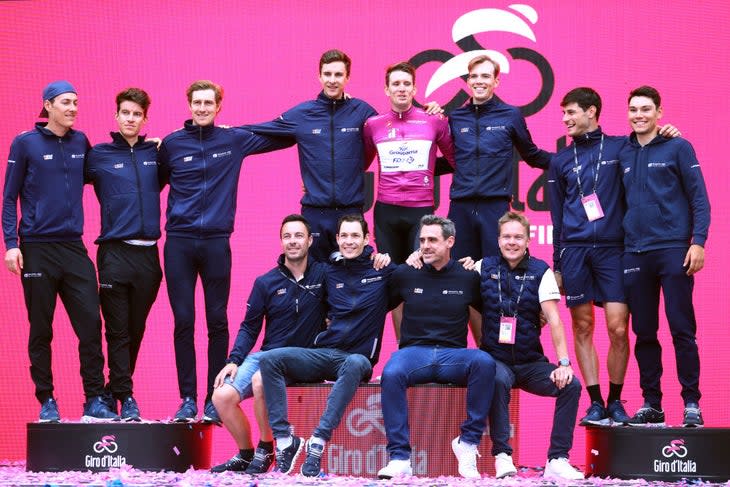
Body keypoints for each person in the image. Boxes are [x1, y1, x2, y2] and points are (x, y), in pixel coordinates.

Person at [158, 80, 291, 424]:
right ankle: (187, 399)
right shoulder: (171, 145)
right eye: (196, 102)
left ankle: (211, 400)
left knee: (217, 321)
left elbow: (283, 134)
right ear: (188, 105)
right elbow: (150, 182)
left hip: (217, 242)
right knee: (184, 321)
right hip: (179, 243)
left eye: (208, 103)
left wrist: (311, 125)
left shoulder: (232, 139)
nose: (202, 108)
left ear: (219, 107)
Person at [2, 80, 118, 422]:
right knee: (41, 328)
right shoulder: (25, 143)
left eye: (76, 103)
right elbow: (9, 198)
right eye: (66, 103)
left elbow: (103, 171)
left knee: (90, 324)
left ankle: (95, 399)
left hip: (73, 247)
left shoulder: (81, 141)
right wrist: (11, 245)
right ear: (47, 105)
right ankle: (47, 400)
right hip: (36, 248)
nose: (73, 109)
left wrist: (144, 148)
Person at [258, 214, 396, 477]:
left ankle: (318, 443)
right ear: (337, 239)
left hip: (357, 360)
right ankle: (286, 442)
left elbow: (415, 275)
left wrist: (394, 258)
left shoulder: (383, 270)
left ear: (367, 239)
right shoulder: (328, 271)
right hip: (324, 354)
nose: (349, 241)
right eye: (344, 236)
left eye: (355, 235)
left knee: (355, 362)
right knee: (269, 359)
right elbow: (295, 279)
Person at [377, 215, 494, 480]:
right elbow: (373, 306)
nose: (425, 246)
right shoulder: (405, 273)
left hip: (453, 355)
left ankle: (467, 443)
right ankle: (399, 457)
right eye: (422, 240)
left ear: (450, 242)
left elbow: (494, 310)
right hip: (413, 354)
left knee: (485, 362)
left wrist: (538, 315)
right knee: (392, 371)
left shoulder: (468, 277)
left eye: (432, 240)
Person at [209, 214, 327, 474]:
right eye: (287, 236)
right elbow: (249, 326)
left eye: (298, 236)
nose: (293, 241)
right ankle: (245, 453)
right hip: (267, 354)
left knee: (262, 379)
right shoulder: (265, 282)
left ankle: (266, 447)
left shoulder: (325, 275)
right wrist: (234, 360)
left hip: (303, 358)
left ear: (309, 240)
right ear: (281, 242)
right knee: (221, 396)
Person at [620, 86, 710, 427]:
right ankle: (652, 403)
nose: (639, 115)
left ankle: (691, 403)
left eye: (646, 109)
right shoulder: (623, 152)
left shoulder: (678, 146)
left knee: (682, 330)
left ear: (660, 113)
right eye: (633, 109)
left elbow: (699, 198)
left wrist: (698, 241)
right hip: (635, 253)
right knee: (643, 332)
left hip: (673, 249)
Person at [547, 87, 631, 426]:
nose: (566, 119)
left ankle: (615, 400)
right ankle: (595, 401)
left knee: (619, 328)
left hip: (614, 250)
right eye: (563, 114)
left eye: (571, 113)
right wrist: (557, 265)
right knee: (582, 326)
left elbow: (652, 145)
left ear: (591, 111)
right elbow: (556, 217)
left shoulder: (620, 147)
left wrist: (669, 133)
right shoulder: (560, 159)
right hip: (575, 251)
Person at [244, 50, 378, 262]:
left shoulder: (362, 111)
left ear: (347, 78)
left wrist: (430, 113)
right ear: (319, 76)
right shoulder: (303, 114)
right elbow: (265, 129)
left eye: (338, 75)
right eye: (327, 74)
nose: (332, 80)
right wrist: (225, 133)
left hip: (351, 213)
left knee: (351, 282)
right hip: (315, 214)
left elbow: (394, 131)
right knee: (314, 282)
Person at [478, 211, 583, 480]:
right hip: (496, 359)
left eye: (518, 237)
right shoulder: (482, 268)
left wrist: (563, 363)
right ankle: (502, 455)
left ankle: (557, 458)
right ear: (498, 240)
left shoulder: (541, 271)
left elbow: (555, 320)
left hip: (529, 362)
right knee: (496, 377)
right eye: (507, 237)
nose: (512, 242)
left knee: (570, 385)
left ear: (528, 241)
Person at [85, 88, 162, 422]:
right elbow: (60, 177)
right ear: (116, 116)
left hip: (149, 258)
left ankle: (111, 392)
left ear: (145, 119)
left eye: (137, 114)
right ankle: (126, 397)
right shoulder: (98, 155)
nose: (131, 119)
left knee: (136, 328)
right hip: (114, 254)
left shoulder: (156, 154)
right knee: (116, 331)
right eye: (125, 112)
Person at [448, 54, 551, 261]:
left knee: (497, 271)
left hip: (495, 206)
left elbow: (531, 154)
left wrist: (566, 160)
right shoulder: (454, 117)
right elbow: (448, 159)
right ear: (468, 81)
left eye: (485, 76)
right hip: (460, 207)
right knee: (460, 274)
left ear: (496, 81)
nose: (479, 81)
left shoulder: (510, 115)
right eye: (474, 76)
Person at [363, 62, 455, 264]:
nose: (402, 88)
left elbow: (457, 160)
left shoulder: (434, 120)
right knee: (390, 273)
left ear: (414, 89)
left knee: (419, 270)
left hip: (420, 209)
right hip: (386, 210)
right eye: (396, 84)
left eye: (407, 83)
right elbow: (358, 164)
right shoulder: (373, 125)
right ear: (387, 89)